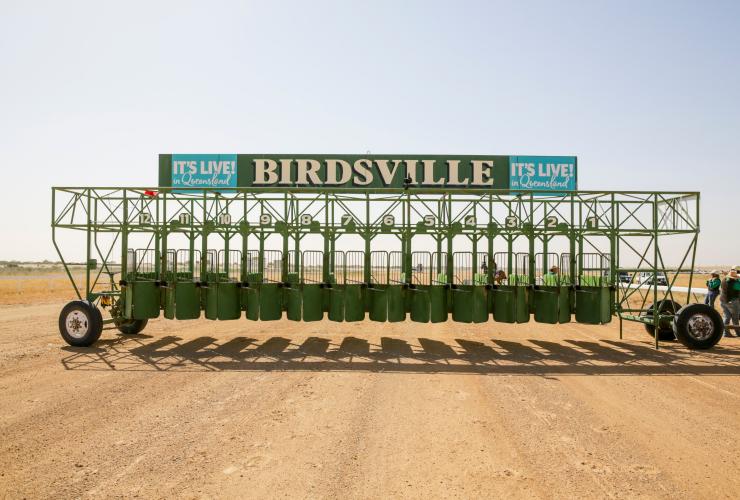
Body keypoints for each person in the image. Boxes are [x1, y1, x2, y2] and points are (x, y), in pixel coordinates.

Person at [719, 267, 740, 337]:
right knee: (735, 317)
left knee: (726, 316)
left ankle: (725, 332)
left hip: (723, 300)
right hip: (732, 301)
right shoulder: (735, 283)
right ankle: (738, 332)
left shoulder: (724, 280)